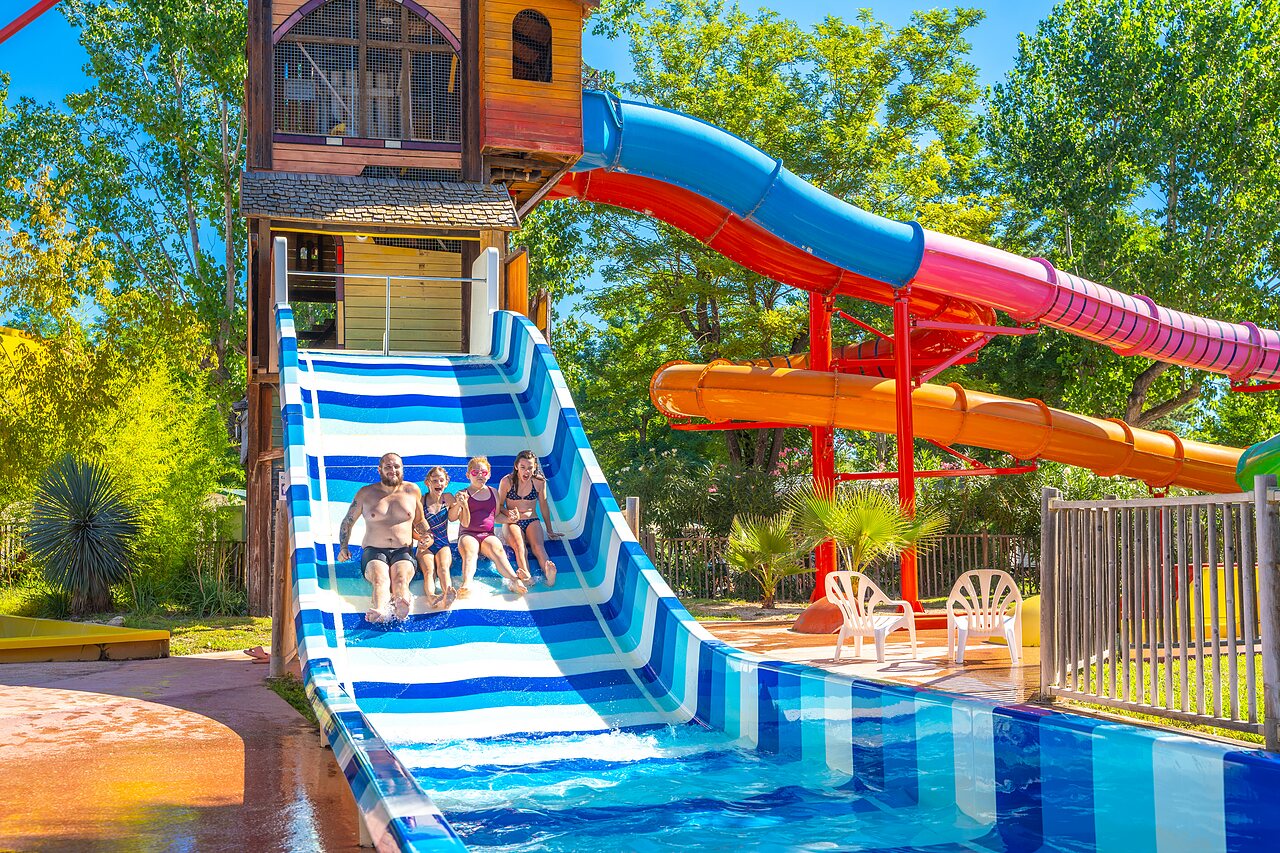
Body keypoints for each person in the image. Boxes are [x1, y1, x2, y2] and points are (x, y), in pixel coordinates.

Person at [336, 452, 427, 623]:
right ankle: (380, 609)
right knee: (380, 577)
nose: (393, 470)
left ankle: (402, 604)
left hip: (403, 550)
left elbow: (420, 521)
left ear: (402, 468)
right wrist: (343, 547)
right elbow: (347, 522)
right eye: (388, 467)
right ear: (380, 470)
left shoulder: (412, 490)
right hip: (374, 550)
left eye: (397, 466)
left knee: (400, 578)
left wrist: (427, 537)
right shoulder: (366, 493)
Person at [456, 456, 528, 596]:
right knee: (470, 553)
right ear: (468, 475)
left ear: (489, 475)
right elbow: (460, 518)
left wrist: (510, 520)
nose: (480, 475)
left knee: (499, 551)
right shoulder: (464, 494)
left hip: (487, 535)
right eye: (475, 472)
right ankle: (467, 582)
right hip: (468, 534)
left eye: (483, 472)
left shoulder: (493, 492)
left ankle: (514, 579)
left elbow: (495, 517)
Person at [498, 450, 560, 587]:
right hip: (513, 521)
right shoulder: (507, 481)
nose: (527, 471)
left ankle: (549, 574)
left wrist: (549, 530)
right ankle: (526, 575)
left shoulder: (539, 482)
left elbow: (544, 506)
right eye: (523, 467)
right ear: (516, 467)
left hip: (532, 519)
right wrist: (508, 514)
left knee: (538, 546)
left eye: (530, 468)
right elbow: (499, 506)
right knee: (519, 546)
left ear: (535, 467)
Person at [417, 465, 460, 609]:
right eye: (434, 481)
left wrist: (459, 505)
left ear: (446, 482)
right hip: (425, 545)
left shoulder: (448, 498)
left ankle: (448, 594)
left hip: (442, 543)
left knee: (443, 569)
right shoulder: (421, 501)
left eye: (441, 481)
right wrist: (421, 540)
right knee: (429, 571)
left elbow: (454, 518)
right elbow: (413, 527)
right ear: (427, 482)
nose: (438, 484)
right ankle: (432, 596)